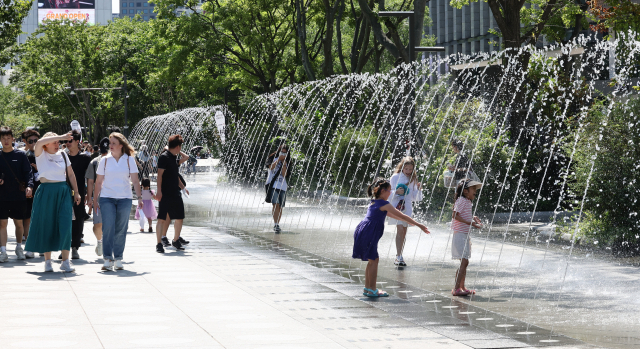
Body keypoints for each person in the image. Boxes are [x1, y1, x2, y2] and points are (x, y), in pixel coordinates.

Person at [352, 178, 430, 297]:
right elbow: (401, 215)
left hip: (364, 230)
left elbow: (393, 215)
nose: (391, 192)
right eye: (389, 190)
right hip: (369, 232)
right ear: (382, 191)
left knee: (372, 260)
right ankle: (372, 289)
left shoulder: (374, 201)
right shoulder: (384, 204)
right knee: (374, 259)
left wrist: (410, 222)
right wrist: (419, 225)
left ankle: (368, 288)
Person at [25, 132, 82, 272]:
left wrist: (76, 192)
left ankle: (65, 261)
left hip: (63, 191)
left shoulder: (63, 154)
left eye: (58, 142)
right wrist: (61, 136)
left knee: (66, 224)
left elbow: (70, 174)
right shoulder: (40, 153)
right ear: (47, 143)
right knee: (47, 224)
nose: (58, 144)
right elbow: (38, 143)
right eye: (55, 141)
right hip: (46, 191)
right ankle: (48, 261)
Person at [93, 133, 142, 271]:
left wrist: (139, 198)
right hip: (106, 197)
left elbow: (136, 181)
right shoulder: (105, 160)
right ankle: (108, 258)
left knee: (121, 228)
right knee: (108, 226)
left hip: (125, 199)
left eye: (114, 143)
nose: (111, 145)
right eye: (110, 143)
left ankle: (118, 258)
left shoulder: (129, 160)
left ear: (121, 145)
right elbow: (98, 182)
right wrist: (95, 200)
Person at [0, 127, 34, 262]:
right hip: (2, 196)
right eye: (3, 138)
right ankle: (3, 251)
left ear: (13, 139)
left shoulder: (20, 155)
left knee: (18, 223)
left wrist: (30, 186)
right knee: (2, 223)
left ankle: (19, 247)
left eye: (8, 138)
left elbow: (28, 173)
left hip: (18, 195)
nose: (6, 140)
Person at [155, 135, 190, 253]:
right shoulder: (164, 157)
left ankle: (175, 240)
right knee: (161, 219)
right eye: (180, 147)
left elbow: (175, 176)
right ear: (178, 146)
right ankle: (159, 243)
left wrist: (183, 188)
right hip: (165, 193)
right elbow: (159, 175)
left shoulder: (174, 157)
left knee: (180, 217)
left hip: (175, 193)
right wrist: (159, 191)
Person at [388, 157, 423, 267]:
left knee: (404, 231)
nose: (408, 171)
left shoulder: (413, 179)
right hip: (396, 207)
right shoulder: (395, 177)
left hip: (407, 208)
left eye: (410, 169)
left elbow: (414, 198)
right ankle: (398, 256)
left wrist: (419, 189)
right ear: (402, 167)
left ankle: (400, 255)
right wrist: (396, 192)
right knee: (399, 229)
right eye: (406, 169)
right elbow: (388, 194)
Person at [451, 179, 483, 296]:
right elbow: (454, 215)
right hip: (459, 234)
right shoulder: (461, 200)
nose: (475, 191)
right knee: (464, 262)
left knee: (465, 262)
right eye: (473, 189)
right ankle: (456, 289)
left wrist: (473, 217)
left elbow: (464, 214)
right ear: (465, 191)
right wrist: (470, 223)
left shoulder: (467, 201)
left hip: (464, 234)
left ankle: (462, 287)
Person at [64, 130, 91, 260]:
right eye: (66, 141)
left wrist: (88, 195)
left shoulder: (85, 158)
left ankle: (75, 248)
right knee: (64, 220)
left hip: (79, 194)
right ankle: (64, 248)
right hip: (63, 193)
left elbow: (91, 178)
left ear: (77, 142)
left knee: (78, 220)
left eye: (70, 141)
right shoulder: (63, 157)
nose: (67, 143)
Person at [85, 137, 109, 257]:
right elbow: (90, 182)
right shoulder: (94, 162)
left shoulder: (117, 161)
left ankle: (107, 244)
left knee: (110, 223)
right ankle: (100, 242)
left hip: (112, 197)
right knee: (97, 224)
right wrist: (89, 198)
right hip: (98, 198)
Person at [21, 128, 41, 259]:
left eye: (36, 140)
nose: (34, 143)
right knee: (27, 218)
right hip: (27, 191)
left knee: (41, 218)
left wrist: (40, 169)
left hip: (42, 190)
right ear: (25, 142)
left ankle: (42, 246)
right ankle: (29, 246)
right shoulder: (23, 156)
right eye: (30, 141)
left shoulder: (45, 155)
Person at [265, 144, 291, 233]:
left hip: (282, 186)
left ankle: (277, 224)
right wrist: (279, 160)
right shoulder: (273, 158)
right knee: (275, 204)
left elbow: (285, 175)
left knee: (280, 206)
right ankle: (276, 224)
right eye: (281, 152)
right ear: (279, 151)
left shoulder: (288, 162)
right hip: (272, 185)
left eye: (285, 153)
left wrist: (284, 164)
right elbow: (270, 167)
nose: (283, 154)